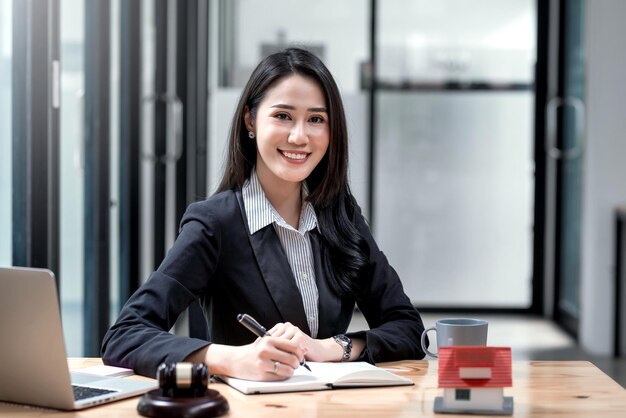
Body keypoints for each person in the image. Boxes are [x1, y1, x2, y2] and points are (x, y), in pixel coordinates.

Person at [101, 48, 427, 381]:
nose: (299, 136)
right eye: (283, 116)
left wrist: (332, 347)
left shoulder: (339, 215)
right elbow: (124, 336)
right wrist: (230, 359)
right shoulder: (215, 223)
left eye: (316, 119)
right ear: (250, 121)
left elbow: (408, 329)